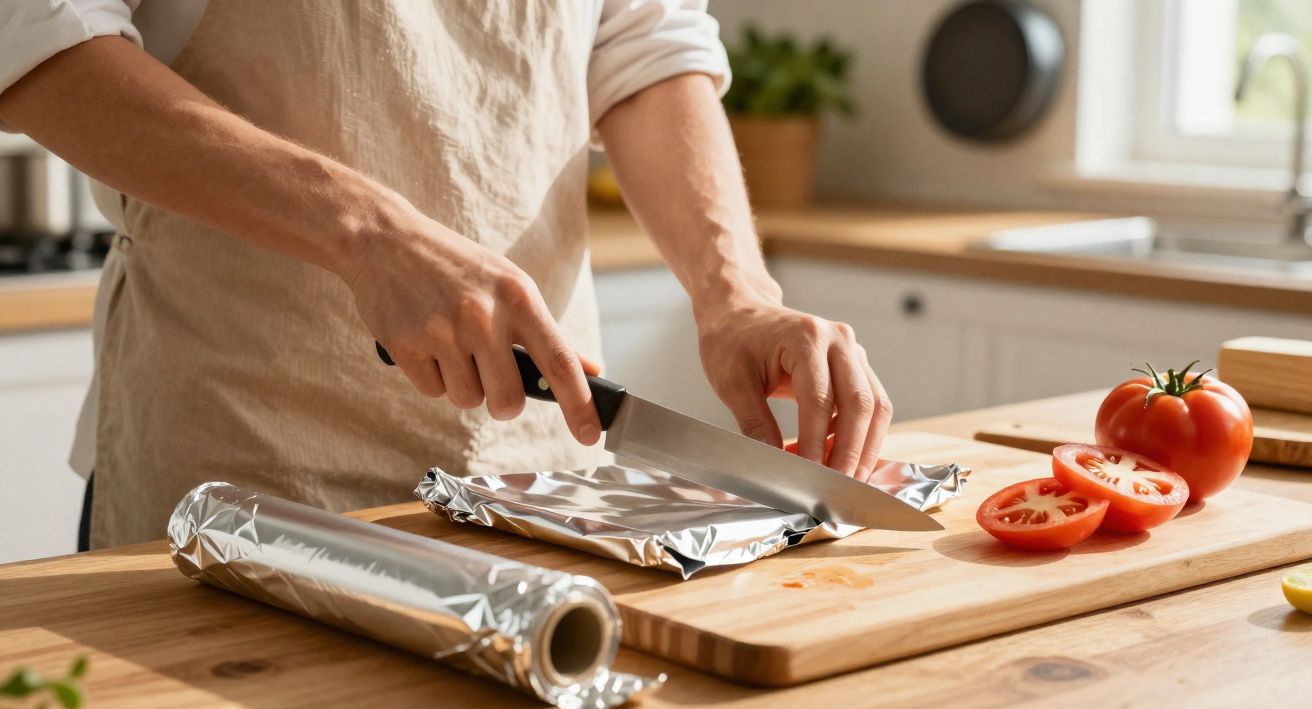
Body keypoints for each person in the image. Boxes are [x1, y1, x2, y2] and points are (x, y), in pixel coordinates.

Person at [0, 0, 892, 550]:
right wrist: (366, 232)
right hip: (239, 475)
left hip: (541, 482)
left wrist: (735, 293)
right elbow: (41, 40)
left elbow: (645, 44)